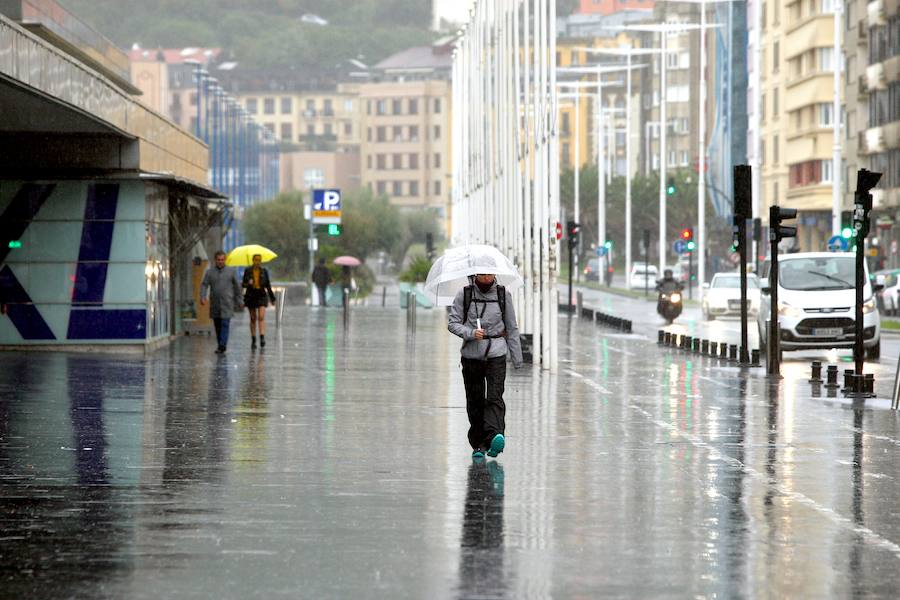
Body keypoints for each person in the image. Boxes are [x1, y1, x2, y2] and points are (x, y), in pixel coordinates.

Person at [448, 273, 523, 460]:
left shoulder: (502, 294)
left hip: (496, 353)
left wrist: (517, 358)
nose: (486, 277)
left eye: (489, 273)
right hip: (472, 356)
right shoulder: (463, 295)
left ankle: (495, 437)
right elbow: (453, 324)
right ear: (475, 275)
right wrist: (471, 332)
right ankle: (479, 444)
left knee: (494, 396)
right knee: (475, 401)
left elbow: (512, 327)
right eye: (482, 273)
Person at [200, 250, 243, 354]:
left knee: (225, 323)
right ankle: (220, 344)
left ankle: (223, 345)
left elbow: (237, 287)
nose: (220, 261)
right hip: (215, 303)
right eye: (218, 260)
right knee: (217, 325)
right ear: (215, 260)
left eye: (222, 259)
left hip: (227, 303)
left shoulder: (231, 271)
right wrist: (202, 296)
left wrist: (240, 300)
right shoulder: (210, 272)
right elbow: (204, 284)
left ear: (225, 260)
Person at [242, 253, 276, 349]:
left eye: (259, 260)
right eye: (256, 259)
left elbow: (268, 285)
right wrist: (248, 283)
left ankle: (262, 337)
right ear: (253, 260)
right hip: (251, 296)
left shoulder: (264, 271)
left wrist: (272, 298)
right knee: (253, 318)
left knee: (261, 317)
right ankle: (253, 339)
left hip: (261, 295)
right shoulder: (248, 271)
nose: (257, 262)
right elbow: (243, 284)